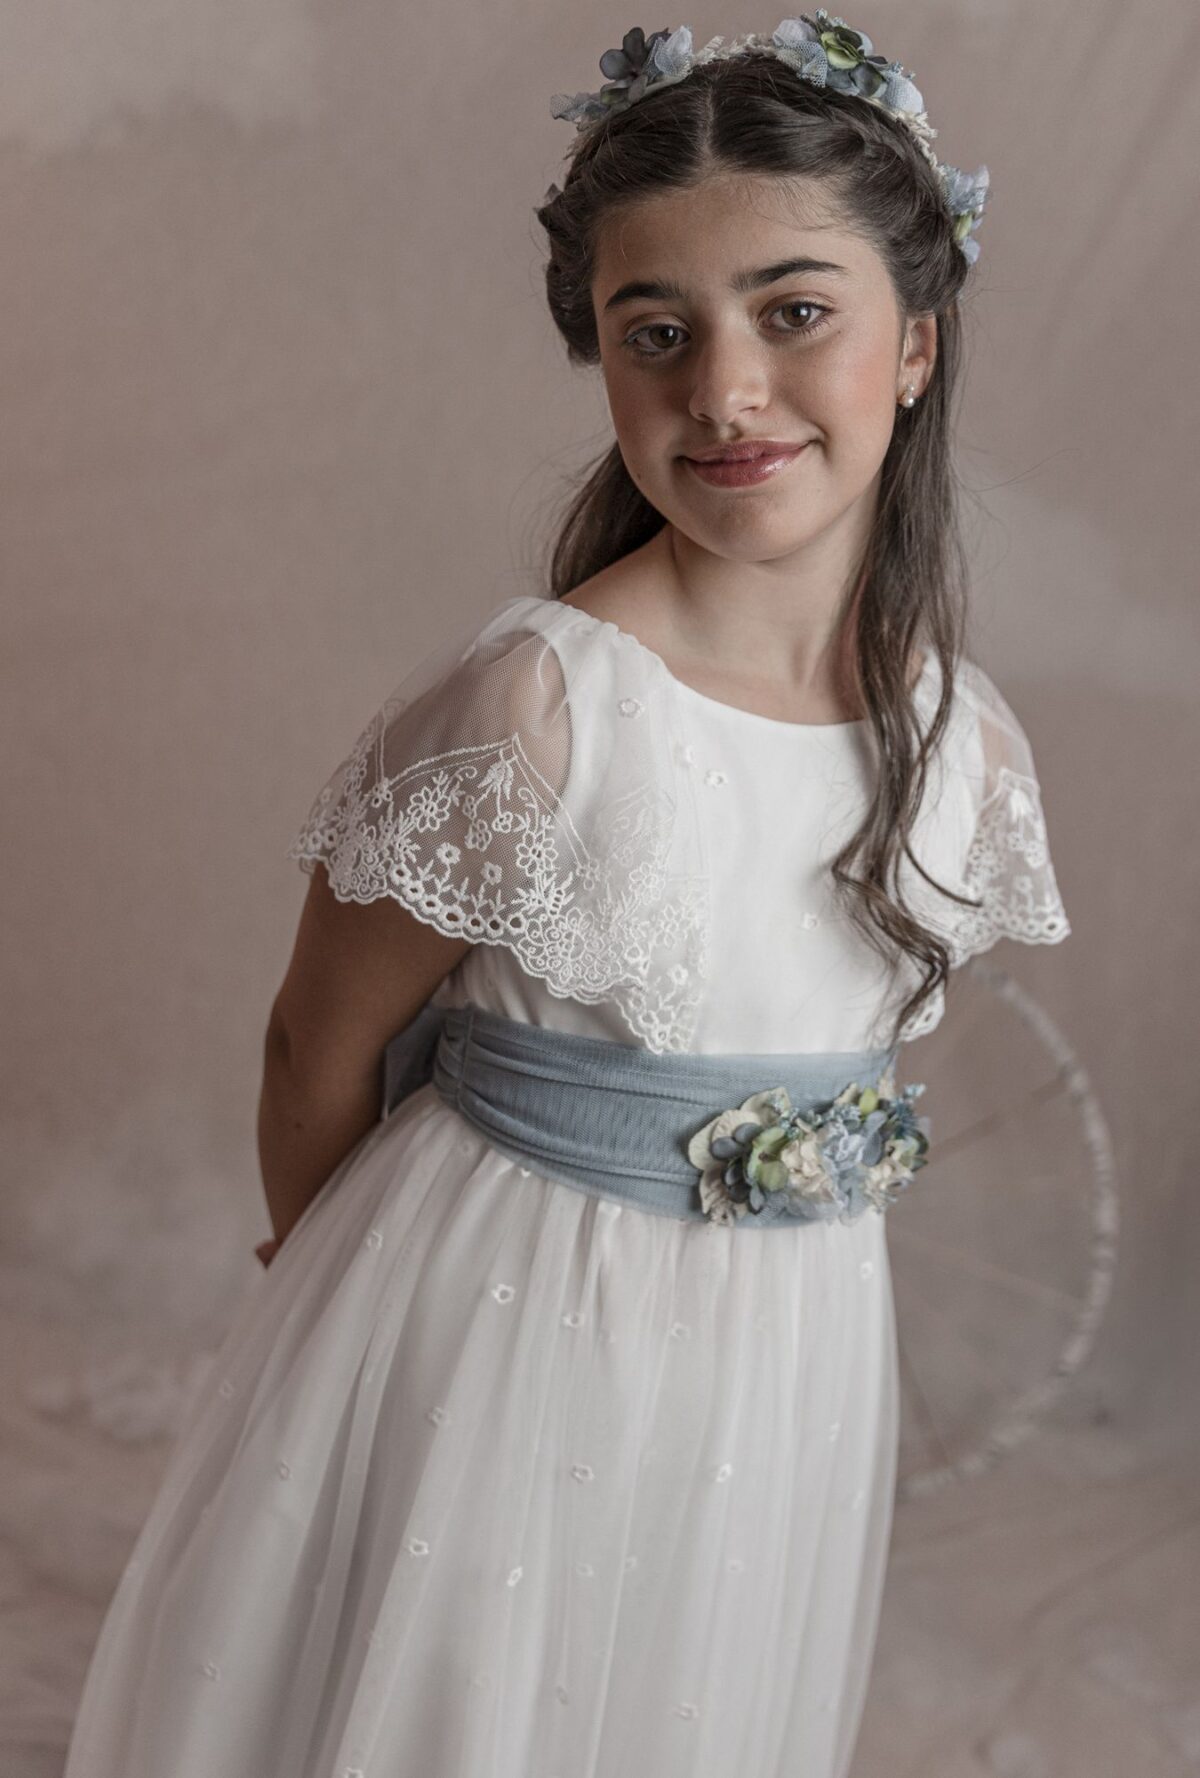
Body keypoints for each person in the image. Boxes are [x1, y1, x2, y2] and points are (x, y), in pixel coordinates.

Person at [62, 14, 1071, 1778]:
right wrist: (339, 1330)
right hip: (503, 1328)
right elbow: (316, 1043)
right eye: (654, 332)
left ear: (917, 342)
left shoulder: (954, 732)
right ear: (600, 353)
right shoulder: (543, 709)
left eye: (795, 312)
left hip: (784, 1350)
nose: (726, 391)